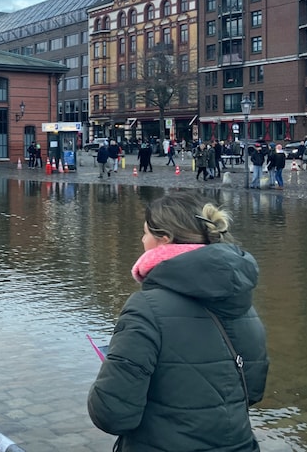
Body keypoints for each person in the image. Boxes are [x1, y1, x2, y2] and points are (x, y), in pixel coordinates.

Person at [88, 191, 268, 451]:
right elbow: (251, 392)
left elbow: (112, 413)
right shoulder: (245, 305)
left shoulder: (145, 308)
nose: (141, 240)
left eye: (146, 233)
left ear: (164, 240)